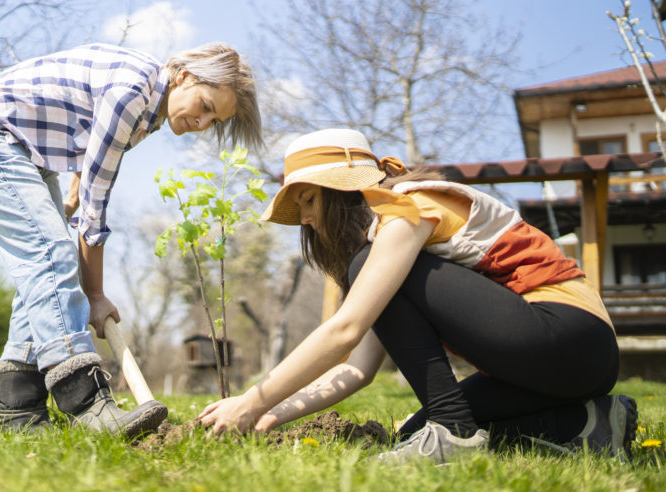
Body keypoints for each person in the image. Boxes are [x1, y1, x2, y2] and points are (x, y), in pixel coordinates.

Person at [199, 128, 638, 463]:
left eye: (310, 201)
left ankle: (451, 433)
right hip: (578, 366)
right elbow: (357, 370)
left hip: (568, 334)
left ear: (342, 191)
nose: (307, 220)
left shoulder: (407, 210)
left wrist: (251, 399)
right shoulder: (393, 238)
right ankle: (591, 424)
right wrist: (270, 415)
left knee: (362, 272)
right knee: (412, 430)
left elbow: (346, 330)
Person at [0, 42, 262, 438]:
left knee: (42, 277)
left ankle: (20, 414)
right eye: (204, 106)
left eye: (213, 121)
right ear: (184, 76)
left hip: (27, 153)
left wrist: (73, 194)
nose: (202, 123)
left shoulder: (151, 110)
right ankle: (86, 403)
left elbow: (89, 162)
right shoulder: (134, 92)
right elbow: (94, 212)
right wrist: (94, 295)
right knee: (51, 257)